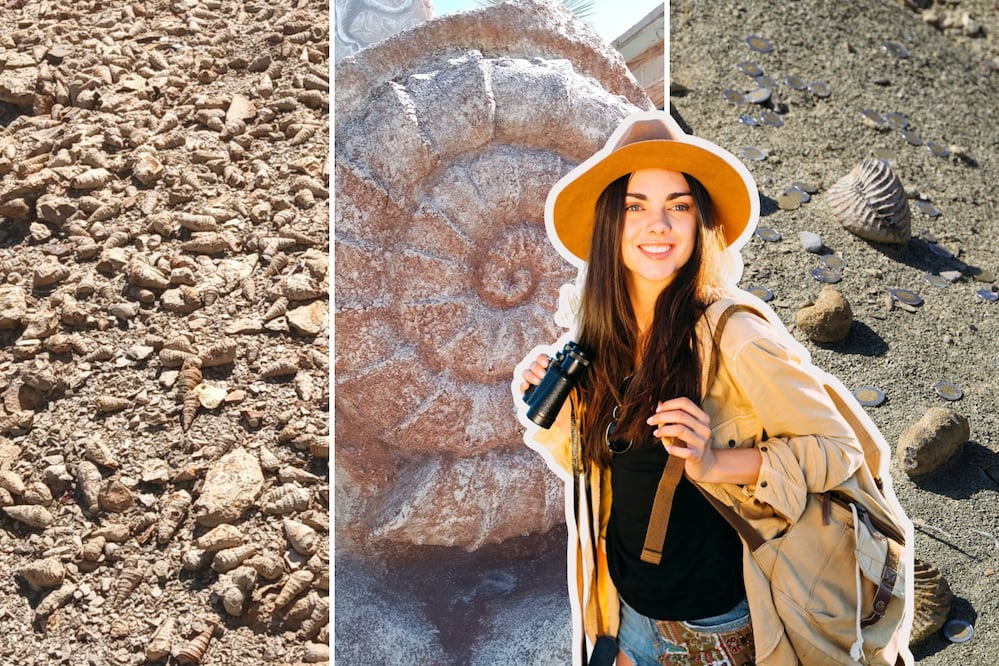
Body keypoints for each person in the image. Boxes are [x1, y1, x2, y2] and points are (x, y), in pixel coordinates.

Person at [513, 111, 913, 665]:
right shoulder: (606, 337)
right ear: (610, 226)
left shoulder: (734, 334)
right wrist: (566, 407)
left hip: (715, 625)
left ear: (700, 222)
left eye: (678, 205)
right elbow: (600, 469)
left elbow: (838, 451)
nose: (659, 224)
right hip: (626, 608)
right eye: (636, 206)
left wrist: (713, 463)